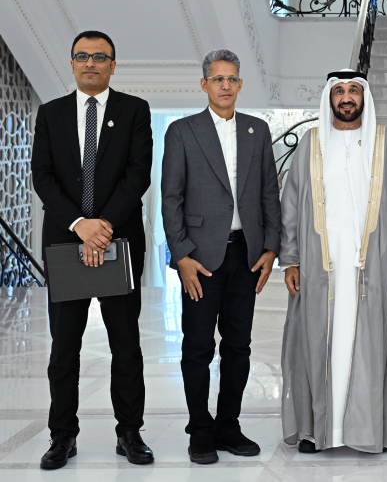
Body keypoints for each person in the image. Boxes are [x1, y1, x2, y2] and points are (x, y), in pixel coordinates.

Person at [279, 69, 387, 453]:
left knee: (370, 347)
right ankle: (317, 431)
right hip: (319, 265)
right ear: (329, 98)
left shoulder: (384, 141)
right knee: (318, 344)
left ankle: (368, 432)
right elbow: (289, 204)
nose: (346, 97)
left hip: (372, 265)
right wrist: (291, 259)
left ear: (364, 97)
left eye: (353, 91)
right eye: (339, 91)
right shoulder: (310, 143)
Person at [32, 30, 154, 470]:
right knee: (64, 347)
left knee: (126, 344)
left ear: (113, 65)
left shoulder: (134, 110)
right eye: (82, 56)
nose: (90, 63)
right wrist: (80, 225)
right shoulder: (51, 113)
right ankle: (62, 436)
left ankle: (129, 432)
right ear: (72, 63)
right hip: (66, 242)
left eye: (100, 57)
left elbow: (138, 174)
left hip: (118, 240)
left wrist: (102, 227)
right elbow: (42, 176)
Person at [161, 49, 281, 465]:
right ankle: (200, 429)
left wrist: (271, 248)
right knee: (197, 346)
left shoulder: (256, 130)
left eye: (231, 79)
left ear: (240, 84)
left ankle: (229, 425)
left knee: (238, 346)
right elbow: (170, 199)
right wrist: (181, 255)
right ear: (204, 84)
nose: (225, 86)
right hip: (200, 258)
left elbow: (269, 193)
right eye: (218, 79)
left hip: (246, 255)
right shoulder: (182, 131)